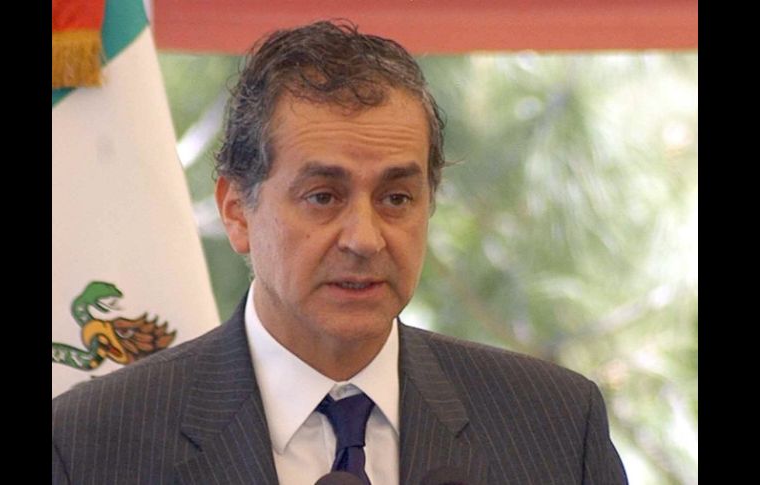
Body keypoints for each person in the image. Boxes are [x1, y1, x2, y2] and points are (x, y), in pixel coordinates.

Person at [52, 20, 628, 485]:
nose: (364, 238)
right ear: (236, 211)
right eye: (323, 197)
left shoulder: (552, 424)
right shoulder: (95, 442)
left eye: (396, 198)